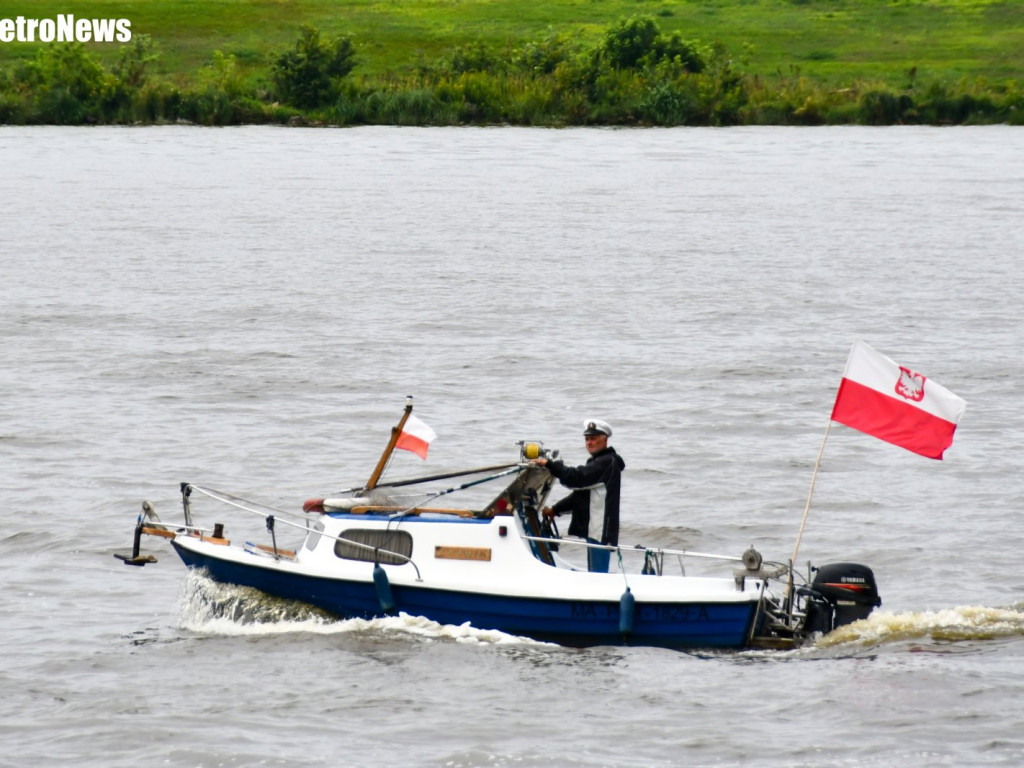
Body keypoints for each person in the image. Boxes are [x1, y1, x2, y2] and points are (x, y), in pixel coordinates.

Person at [532, 419, 625, 573]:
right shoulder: (599, 462)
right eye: (587, 439)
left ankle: (600, 596)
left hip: (600, 532)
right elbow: (580, 496)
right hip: (595, 531)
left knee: (598, 576)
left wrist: (550, 465)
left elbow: (575, 478)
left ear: (605, 439)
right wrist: (556, 510)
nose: (589, 442)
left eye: (593, 438)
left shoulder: (607, 462)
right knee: (595, 574)